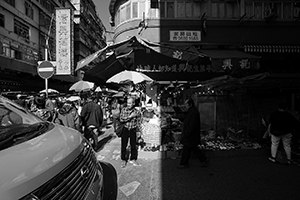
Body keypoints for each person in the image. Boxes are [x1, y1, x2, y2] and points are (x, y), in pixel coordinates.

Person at [177, 98, 209, 169]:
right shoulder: (191, 111)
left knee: (187, 148)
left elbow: (192, 125)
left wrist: (186, 133)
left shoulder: (193, 113)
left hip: (191, 135)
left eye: (186, 104)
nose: (185, 105)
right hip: (191, 135)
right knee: (194, 148)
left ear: (190, 104)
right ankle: (204, 159)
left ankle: (184, 163)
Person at [119, 96, 141, 168]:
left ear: (133, 103)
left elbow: (139, 122)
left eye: (130, 103)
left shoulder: (136, 112)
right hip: (125, 129)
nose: (128, 104)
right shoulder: (124, 110)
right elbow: (121, 119)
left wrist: (139, 131)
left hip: (133, 129)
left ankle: (133, 158)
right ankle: (123, 159)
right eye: (128, 103)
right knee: (124, 145)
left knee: (133, 145)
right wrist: (130, 117)